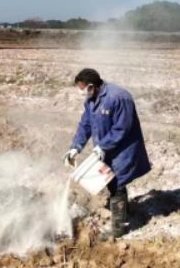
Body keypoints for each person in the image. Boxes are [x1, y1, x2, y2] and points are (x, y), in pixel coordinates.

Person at [63, 68, 151, 238]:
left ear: (91, 86)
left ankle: (119, 228)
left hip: (123, 149)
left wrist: (102, 146)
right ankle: (123, 208)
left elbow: (122, 128)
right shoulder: (91, 100)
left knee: (117, 183)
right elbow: (86, 125)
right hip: (106, 149)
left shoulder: (119, 98)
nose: (80, 92)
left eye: (81, 88)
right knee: (111, 182)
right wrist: (76, 147)